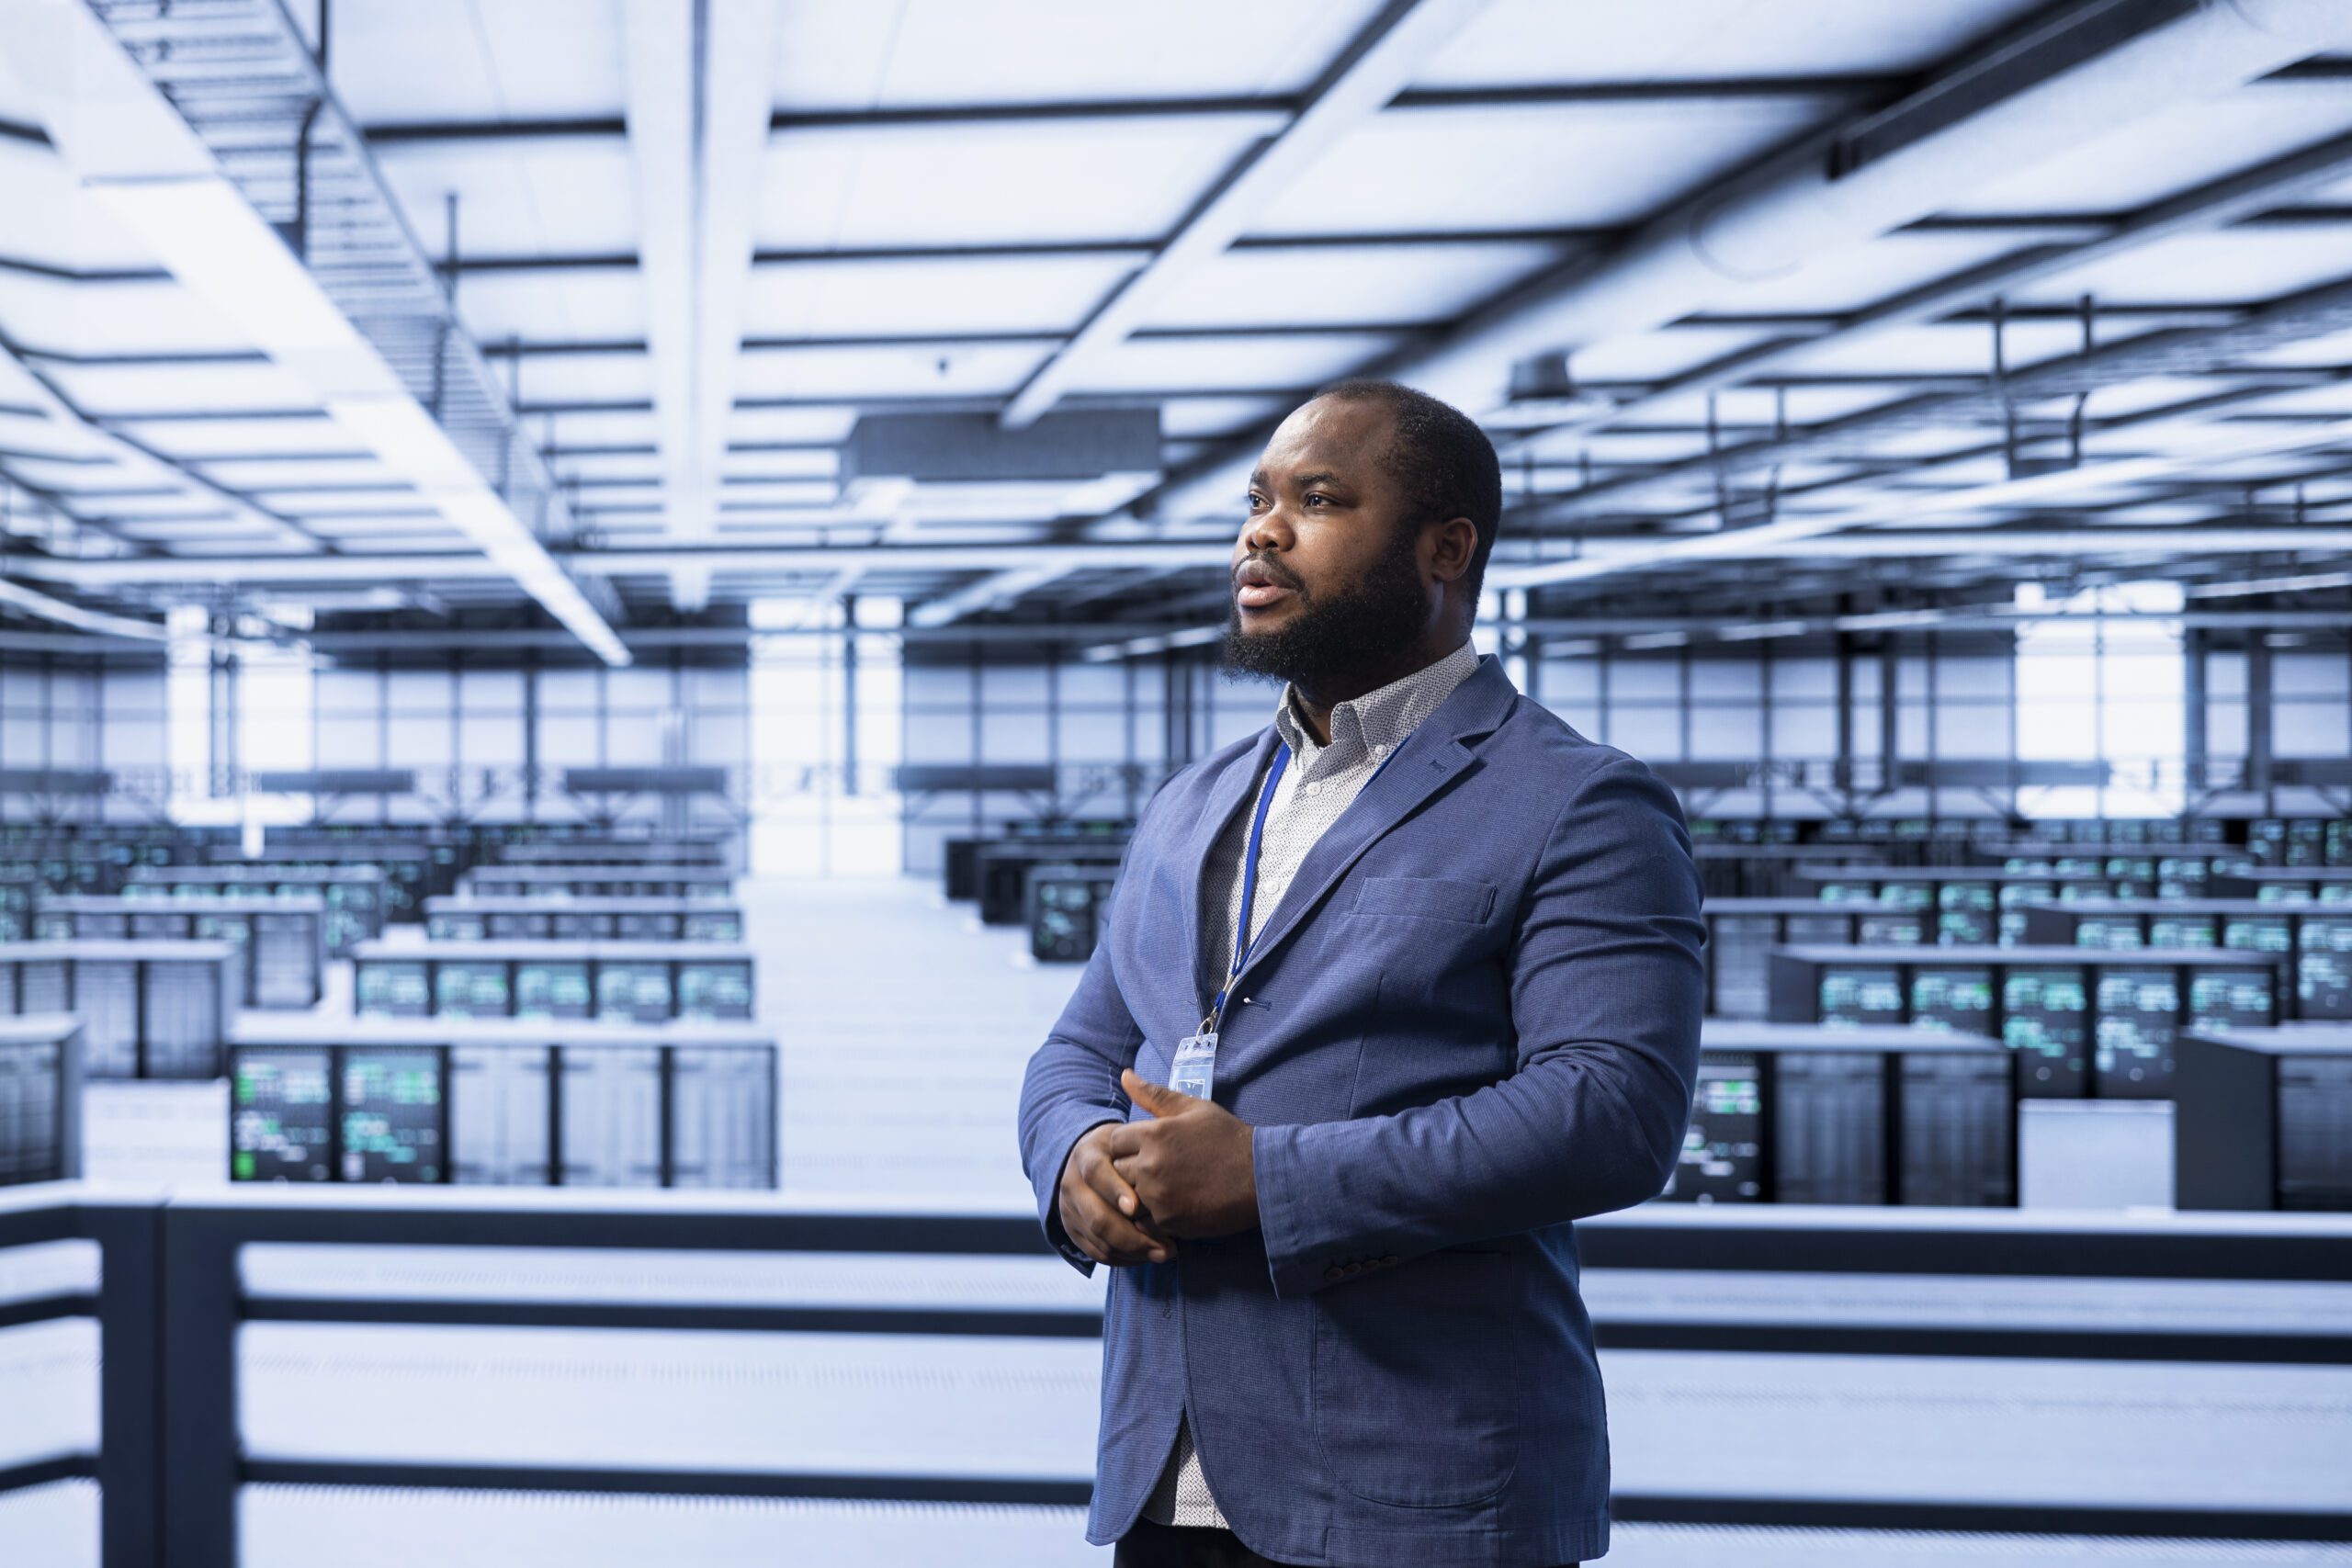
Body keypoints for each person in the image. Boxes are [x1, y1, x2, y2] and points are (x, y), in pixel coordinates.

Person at [1017, 378, 1705, 1568]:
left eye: (1318, 499)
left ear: (1446, 548)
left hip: (1423, 1492)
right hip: (1165, 1475)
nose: (1260, 530)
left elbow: (1612, 1110)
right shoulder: (1192, 799)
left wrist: (1268, 1179)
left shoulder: (1580, 800)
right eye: (1258, 499)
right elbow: (1082, 1045)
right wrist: (1071, 1158)